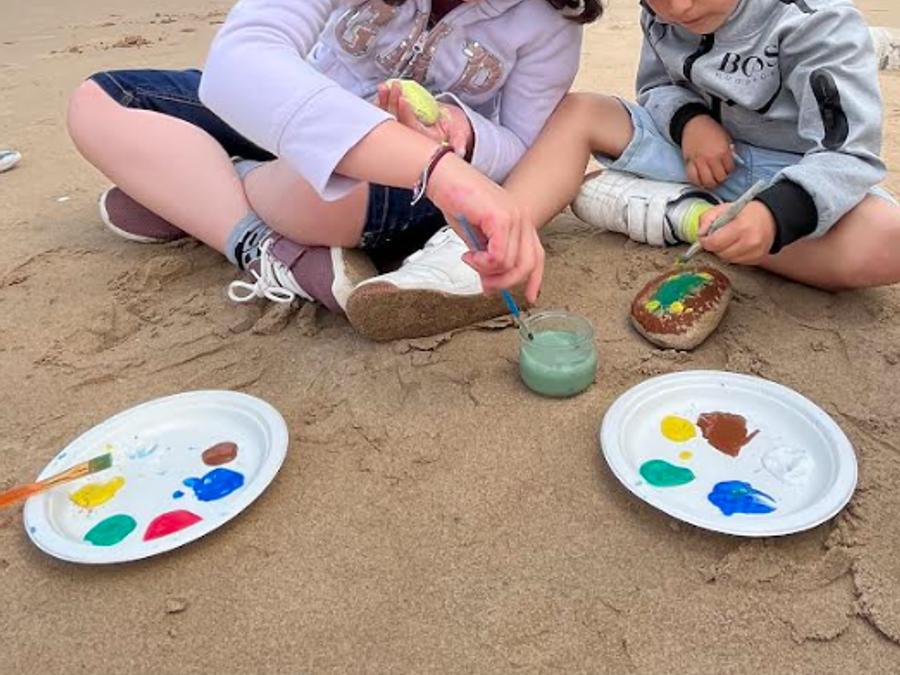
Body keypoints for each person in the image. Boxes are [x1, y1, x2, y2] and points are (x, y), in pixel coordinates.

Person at [67, 0, 603, 340]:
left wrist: (467, 131)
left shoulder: (550, 21)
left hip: (390, 180)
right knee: (102, 103)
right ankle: (269, 247)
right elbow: (241, 58)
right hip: (313, 117)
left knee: (322, 199)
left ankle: (201, 188)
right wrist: (437, 169)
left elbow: (524, 147)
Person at [505, 0, 900, 291]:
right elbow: (656, 86)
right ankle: (500, 234)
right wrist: (689, 122)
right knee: (582, 111)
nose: (678, 8)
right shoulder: (660, 13)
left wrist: (774, 215)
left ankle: (685, 217)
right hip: (691, 158)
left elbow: (849, 153)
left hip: (787, 175)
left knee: (889, 241)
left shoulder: (818, 23)